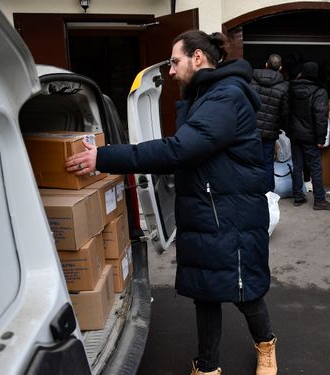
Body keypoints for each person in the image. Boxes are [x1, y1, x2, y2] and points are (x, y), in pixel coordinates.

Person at [65, 30, 277, 375]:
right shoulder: (204, 98)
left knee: (245, 290)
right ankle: (207, 366)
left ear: (198, 58)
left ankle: (266, 344)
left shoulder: (225, 96)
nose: (171, 71)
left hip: (231, 213)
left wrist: (104, 157)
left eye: (175, 61)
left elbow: (179, 150)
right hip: (205, 209)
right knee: (206, 292)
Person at [287, 61, 330, 210]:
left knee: (297, 165)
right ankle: (319, 200)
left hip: (295, 134)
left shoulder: (291, 88)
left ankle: (298, 197)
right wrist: (321, 138)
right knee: (315, 167)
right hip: (310, 136)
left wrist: (289, 129)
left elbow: (285, 110)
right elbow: (320, 116)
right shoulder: (319, 91)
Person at [250, 53, 289, 192]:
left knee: (251, 161)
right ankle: (268, 194)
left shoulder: (251, 80)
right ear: (280, 68)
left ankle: (252, 191)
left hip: (251, 130)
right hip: (270, 132)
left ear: (266, 64)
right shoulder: (284, 87)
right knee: (267, 163)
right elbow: (285, 112)